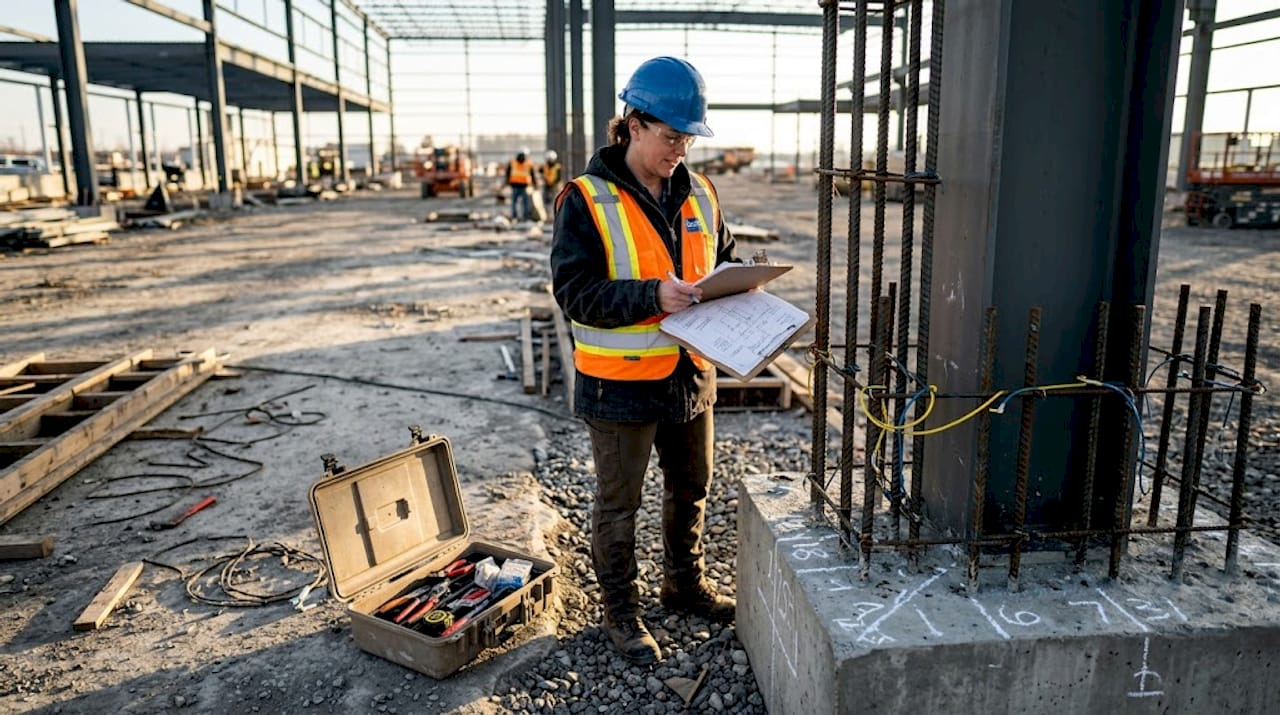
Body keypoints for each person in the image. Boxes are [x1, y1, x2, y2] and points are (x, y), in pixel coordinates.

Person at [550, 56, 737, 665]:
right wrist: (652, 295)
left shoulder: (701, 192)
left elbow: (722, 261)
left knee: (692, 488)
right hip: (620, 385)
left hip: (690, 375)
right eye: (671, 136)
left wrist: (743, 288)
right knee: (618, 506)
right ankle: (622, 613)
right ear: (633, 125)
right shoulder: (586, 199)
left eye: (688, 138)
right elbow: (575, 293)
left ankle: (683, 585)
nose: (681, 149)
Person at [505, 148, 537, 221]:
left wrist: (534, 184)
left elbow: (532, 174)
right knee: (516, 202)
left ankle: (524, 217)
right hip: (516, 185)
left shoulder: (528, 164)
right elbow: (508, 172)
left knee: (523, 202)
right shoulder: (513, 162)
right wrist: (507, 181)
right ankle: (516, 216)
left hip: (524, 186)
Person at [539, 149, 563, 222]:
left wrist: (554, 185)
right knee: (546, 202)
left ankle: (553, 217)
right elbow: (540, 171)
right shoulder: (545, 166)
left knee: (554, 202)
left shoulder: (557, 167)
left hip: (554, 187)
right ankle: (548, 217)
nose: (549, 161)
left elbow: (558, 178)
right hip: (547, 186)